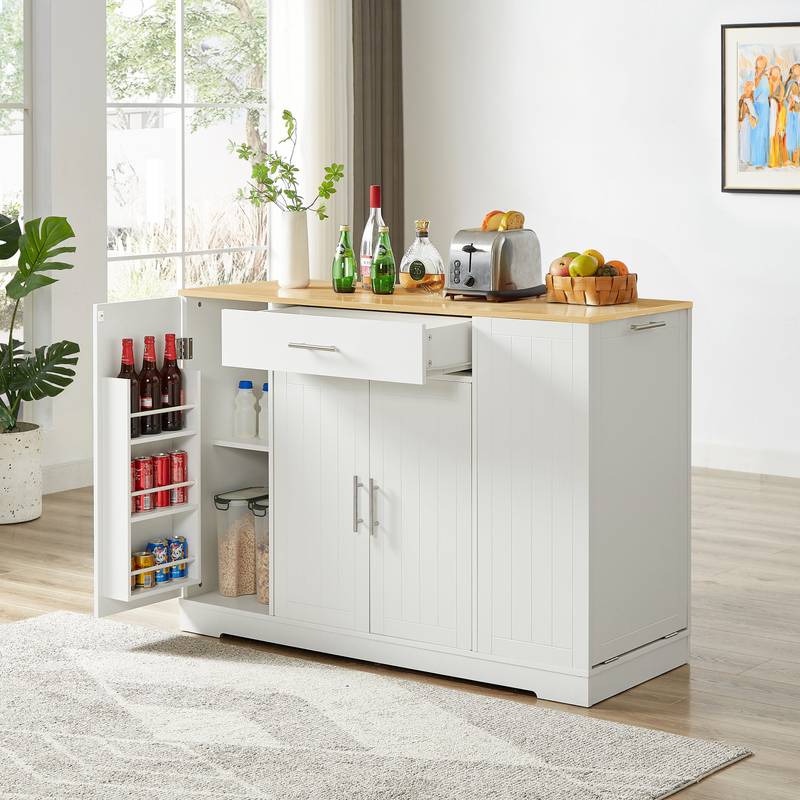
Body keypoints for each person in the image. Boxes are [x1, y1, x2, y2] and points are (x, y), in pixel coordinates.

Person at [750, 55, 770, 168]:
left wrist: (756, 96)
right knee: (754, 131)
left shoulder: (765, 76)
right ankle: (754, 159)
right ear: (756, 62)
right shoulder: (752, 74)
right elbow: (748, 86)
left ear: (765, 64)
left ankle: (761, 161)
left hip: (762, 106)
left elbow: (766, 91)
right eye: (759, 61)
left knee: (762, 132)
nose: (760, 64)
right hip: (754, 105)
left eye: (763, 62)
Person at [768, 65, 788, 167]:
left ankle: (776, 160)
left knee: (777, 133)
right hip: (770, 110)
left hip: (778, 110)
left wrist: (774, 98)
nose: (776, 74)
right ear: (771, 73)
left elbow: (781, 98)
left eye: (777, 72)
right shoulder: (769, 82)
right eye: (774, 72)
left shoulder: (781, 84)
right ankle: (772, 159)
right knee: (771, 134)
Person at [738, 81, 757, 165]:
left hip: (751, 119)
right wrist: (740, 118)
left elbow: (754, 108)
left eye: (750, 86)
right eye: (747, 86)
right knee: (743, 138)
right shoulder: (742, 96)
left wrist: (750, 114)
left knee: (749, 139)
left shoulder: (753, 95)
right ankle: (743, 158)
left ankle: (749, 159)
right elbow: (739, 109)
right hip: (744, 119)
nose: (749, 88)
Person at [786, 81, 800, 165]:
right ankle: (793, 159)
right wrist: (791, 104)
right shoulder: (791, 98)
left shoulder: (797, 97)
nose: (794, 88)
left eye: (796, 87)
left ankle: (797, 159)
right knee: (792, 137)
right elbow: (790, 109)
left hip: (797, 116)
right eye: (792, 87)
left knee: (798, 136)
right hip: (792, 117)